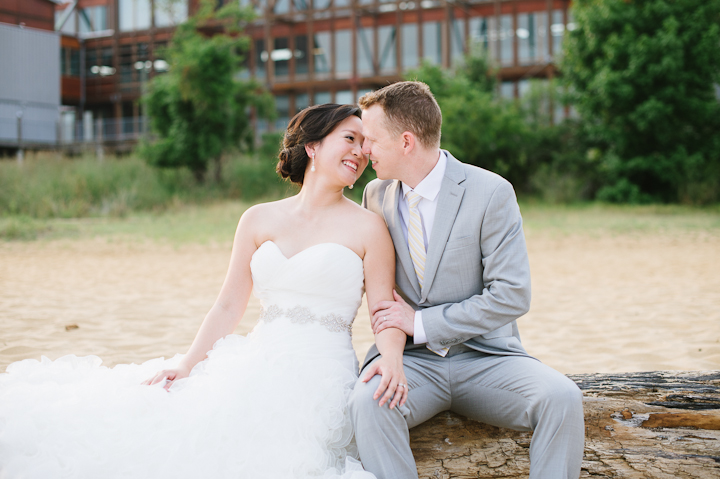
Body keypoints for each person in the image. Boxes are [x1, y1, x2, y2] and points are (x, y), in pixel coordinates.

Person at [0, 104, 408, 479]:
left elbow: (384, 311)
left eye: (365, 143)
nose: (360, 151)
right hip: (256, 361)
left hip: (322, 375)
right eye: (349, 138)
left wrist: (390, 359)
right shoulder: (257, 218)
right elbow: (229, 305)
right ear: (313, 146)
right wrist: (188, 363)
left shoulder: (368, 227)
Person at [349, 81, 585, 479]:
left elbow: (511, 295)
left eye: (370, 139)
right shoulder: (375, 194)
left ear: (406, 141)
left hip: (485, 358)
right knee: (368, 404)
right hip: (413, 363)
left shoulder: (491, 192)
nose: (363, 149)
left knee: (562, 398)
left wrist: (421, 323)